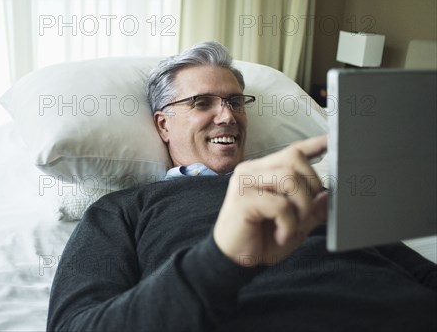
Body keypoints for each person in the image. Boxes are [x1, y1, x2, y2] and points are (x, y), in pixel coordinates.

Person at [47, 42, 436, 331]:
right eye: (202, 103)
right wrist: (221, 259)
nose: (227, 115)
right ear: (163, 125)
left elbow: (419, 273)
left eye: (236, 101)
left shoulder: (307, 187)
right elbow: (74, 326)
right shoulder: (123, 209)